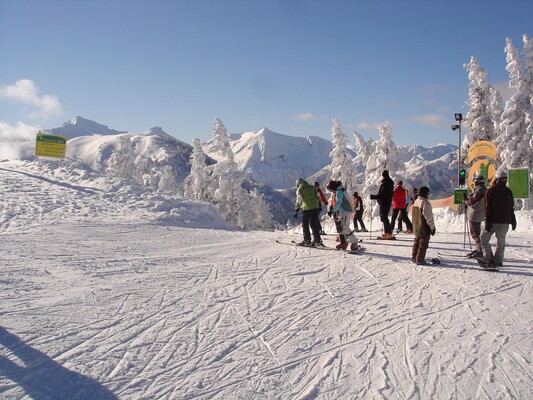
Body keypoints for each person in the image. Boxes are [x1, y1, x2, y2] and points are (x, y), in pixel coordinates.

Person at [478, 171, 516, 268]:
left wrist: (513, 219)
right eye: (502, 179)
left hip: (499, 221)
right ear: (498, 180)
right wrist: (487, 220)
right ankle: (493, 259)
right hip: (497, 221)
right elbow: (488, 207)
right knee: (491, 240)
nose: (504, 181)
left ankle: (492, 259)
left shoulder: (501, 191)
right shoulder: (497, 191)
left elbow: (510, 207)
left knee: (493, 240)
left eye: (505, 179)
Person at [327, 180, 359, 251]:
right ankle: (345, 243)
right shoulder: (340, 190)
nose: (331, 191)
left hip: (346, 211)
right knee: (343, 227)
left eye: (331, 189)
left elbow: (339, 203)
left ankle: (354, 243)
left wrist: (332, 210)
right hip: (345, 211)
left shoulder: (339, 191)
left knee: (344, 227)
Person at [293, 178, 323, 247]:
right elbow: (317, 196)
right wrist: (319, 204)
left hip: (307, 208)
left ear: (298, 184)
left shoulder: (300, 189)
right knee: (314, 224)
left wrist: (296, 209)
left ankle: (307, 241)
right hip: (315, 207)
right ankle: (317, 240)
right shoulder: (311, 187)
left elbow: (299, 200)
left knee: (305, 224)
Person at [411, 186, 436, 265]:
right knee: (423, 244)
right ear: (425, 193)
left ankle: (414, 257)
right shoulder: (426, 203)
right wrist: (432, 228)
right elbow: (428, 217)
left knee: (416, 242)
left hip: (416, 225)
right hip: (424, 226)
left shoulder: (416, 201)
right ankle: (420, 260)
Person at [464, 174, 487, 258]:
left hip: (475, 214)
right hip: (480, 213)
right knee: (477, 232)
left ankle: (480, 250)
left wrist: (466, 200)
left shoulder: (479, 190)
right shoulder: (484, 189)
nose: (474, 183)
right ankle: (479, 249)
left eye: (475, 182)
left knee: (475, 233)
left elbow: (472, 202)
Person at [370, 170, 395, 239]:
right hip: (387, 202)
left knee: (384, 217)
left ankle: (388, 234)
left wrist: (374, 197)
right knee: (384, 218)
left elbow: (382, 194)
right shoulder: (389, 183)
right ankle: (388, 233)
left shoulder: (386, 184)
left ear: (384, 176)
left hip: (384, 203)